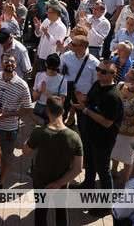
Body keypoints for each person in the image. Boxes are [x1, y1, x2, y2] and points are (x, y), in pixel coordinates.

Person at [73, 59, 123, 216]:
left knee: (103, 171)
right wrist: (82, 99)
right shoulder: (97, 84)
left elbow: (108, 122)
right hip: (90, 134)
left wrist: (86, 110)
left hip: (103, 139)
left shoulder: (113, 96)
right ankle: (88, 185)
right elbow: (90, 100)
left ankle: (107, 205)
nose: (99, 73)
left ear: (113, 75)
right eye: (98, 69)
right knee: (89, 162)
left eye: (103, 71)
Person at [23, 96, 83, 226]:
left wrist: (26, 141)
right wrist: (59, 183)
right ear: (62, 112)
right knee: (61, 212)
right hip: (62, 182)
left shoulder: (38, 132)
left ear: (47, 112)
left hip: (40, 181)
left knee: (41, 211)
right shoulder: (74, 137)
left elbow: (26, 151)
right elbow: (78, 168)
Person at [0, 54, 32, 184]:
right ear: (1, 63)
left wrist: (7, 115)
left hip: (8, 130)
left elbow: (27, 109)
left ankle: (1, 183)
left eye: (12, 61)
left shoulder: (22, 85)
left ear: (16, 65)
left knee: (6, 158)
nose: (9, 63)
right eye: (6, 61)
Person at [110, 68, 134, 185]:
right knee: (114, 152)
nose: (125, 78)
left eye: (129, 77)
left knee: (127, 158)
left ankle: (125, 182)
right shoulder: (120, 86)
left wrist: (121, 115)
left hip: (130, 134)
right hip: (116, 128)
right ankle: (113, 171)